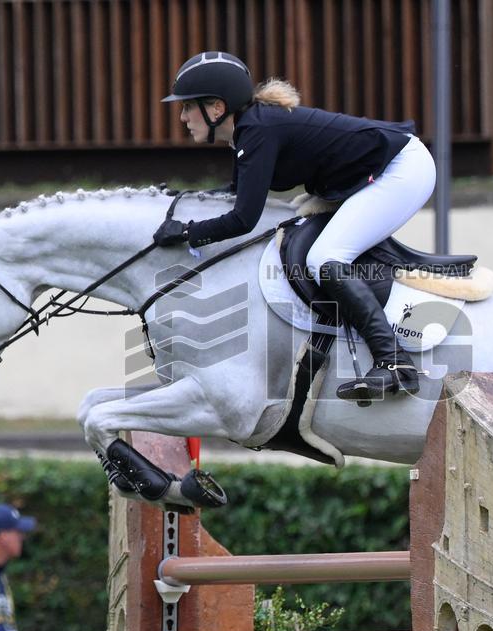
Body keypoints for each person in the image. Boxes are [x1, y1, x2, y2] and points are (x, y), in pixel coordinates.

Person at [153, 51, 437, 404]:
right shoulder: (249, 131)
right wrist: (182, 202)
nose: (181, 117)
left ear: (216, 108)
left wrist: (186, 232)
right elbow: (235, 195)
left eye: (186, 107)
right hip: (382, 171)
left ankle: (395, 363)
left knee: (324, 258)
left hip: (401, 171)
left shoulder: (257, 130)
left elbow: (243, 219)